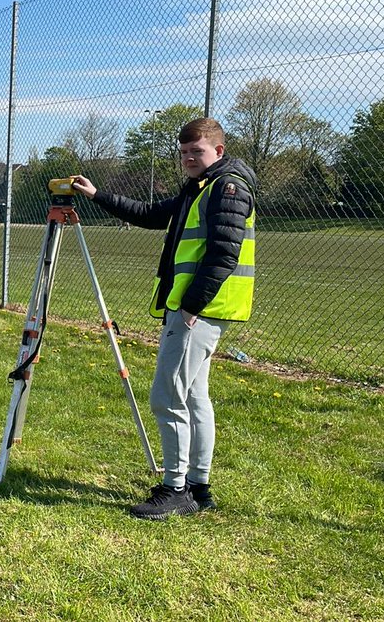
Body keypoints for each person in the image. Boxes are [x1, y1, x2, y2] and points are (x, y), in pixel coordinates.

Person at [71, 117, 256, 520]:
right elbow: (153, 214)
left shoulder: (227, 189)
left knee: (166, 395)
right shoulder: (200, 188)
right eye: (184, 152)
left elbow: (223, 254)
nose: (189, 158)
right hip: (199, 310)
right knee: (192, 396)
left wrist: (189, 309)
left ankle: (176, 490)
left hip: (198, 311)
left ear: (218, 152)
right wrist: (97, 194)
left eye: (198, 151)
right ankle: (199, 487)